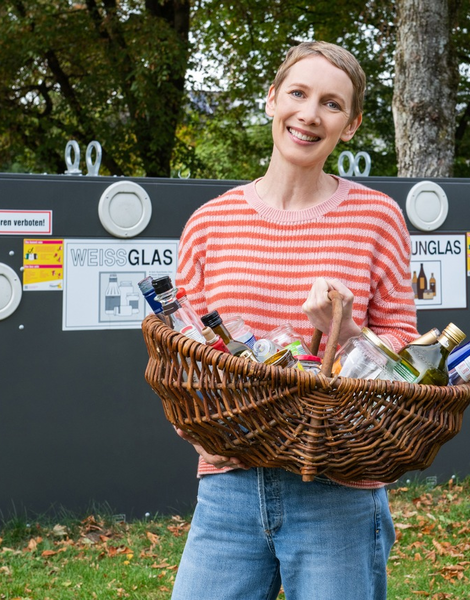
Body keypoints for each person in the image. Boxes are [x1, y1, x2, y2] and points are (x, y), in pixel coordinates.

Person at [171, 41, 419, 600]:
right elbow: (181, 351)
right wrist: (194, 433)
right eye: (298, 94)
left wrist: (347, 332)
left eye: (331, 104)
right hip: (230, 485)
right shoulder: (210, 223)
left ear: (350, 126)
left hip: (338, 489)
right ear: (271, 99)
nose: (309, 114)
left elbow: (407, 358)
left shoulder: (377, 218)